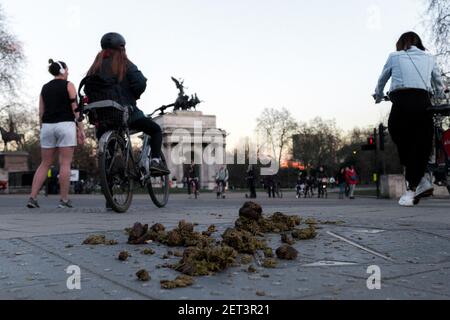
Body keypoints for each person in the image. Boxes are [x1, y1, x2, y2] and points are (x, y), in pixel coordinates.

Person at [374, 31, 446, 207]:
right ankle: (420, 182)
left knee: (399, 136)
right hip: (423, 103)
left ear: (401, 43)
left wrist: (378, 95)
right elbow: (438, 83)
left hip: (401, 103)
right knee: (420, 144)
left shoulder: (394, 56)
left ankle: (413, 188)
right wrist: (438, 94)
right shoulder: (430, 58)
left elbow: (382, 78)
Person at [84, 32, 169, 175]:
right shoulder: (124, 64)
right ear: (121, 48)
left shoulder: (93, 69)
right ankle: (155, 161)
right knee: (155, 130)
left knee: (108, 152)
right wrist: (132, 95)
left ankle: (108, 183)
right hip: (124, 113)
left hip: (101, 118)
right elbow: (140, 82)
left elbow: (87, 89)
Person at [27, 59, 85, 209]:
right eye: (67, 69)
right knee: (65, 163)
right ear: (62, 71)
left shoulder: (44, 88)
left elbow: (41, 112)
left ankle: (32, 198)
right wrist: (81, 129)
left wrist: (42, 129)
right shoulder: (69, 85)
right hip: (65, 125)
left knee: (44, 163)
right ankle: (64, 200)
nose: (68, 72)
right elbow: (75, 109)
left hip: (47, 127)